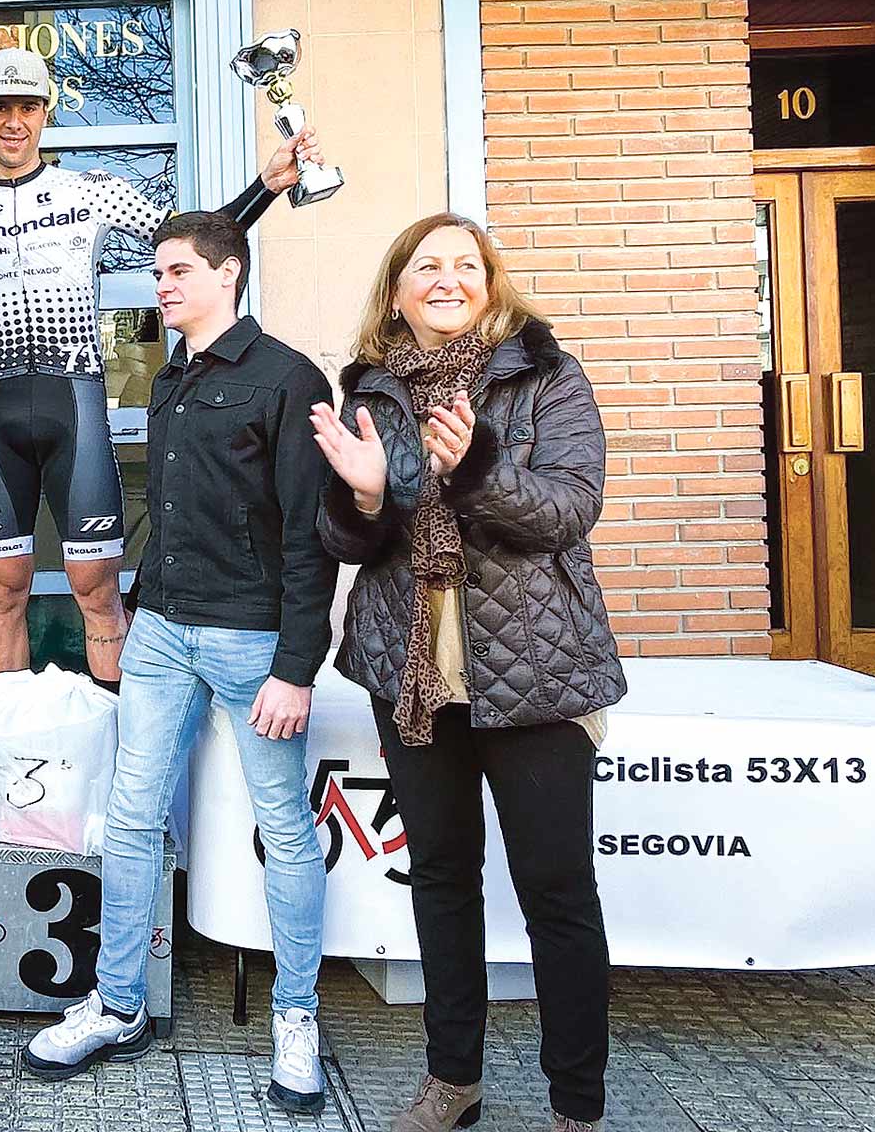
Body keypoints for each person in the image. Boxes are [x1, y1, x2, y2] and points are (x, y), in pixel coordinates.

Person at [310, 213, 624, 1132]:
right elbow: (346, 542)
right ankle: (454, 1081)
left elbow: (571, 510)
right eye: (424, 267)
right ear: (397, 289)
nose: (445, 279)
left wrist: (478, 468)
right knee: (443, 879)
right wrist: (364, 494)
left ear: (489, 283)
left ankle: (578, 1102)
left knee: (555, 890)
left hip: (536, 666)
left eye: (464, 265)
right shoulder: (369, 389)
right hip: (411, 669)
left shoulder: (546, 377)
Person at [23, 213, 337, 1113]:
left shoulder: (285, 378)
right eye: (157, 271)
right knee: (128, 817)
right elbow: (170, 509)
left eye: (179, 270)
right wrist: (131, 609)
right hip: (162, 629)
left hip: (252, 641)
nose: (161, 284)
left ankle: (296, 1017)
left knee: (282, 825)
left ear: (229, 275)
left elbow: (314, 538)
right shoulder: (171, 380)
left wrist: (296, 665)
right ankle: (116, 1004)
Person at [0, 47, 324, 689]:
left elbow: (202, 240)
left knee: (97, 589)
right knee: (2, 591)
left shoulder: (90, 193)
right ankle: (14, 750)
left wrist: (270, 185)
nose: (13, 121)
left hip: (76, 401)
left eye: (26, 107)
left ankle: (117, 747)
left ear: (44, 113)